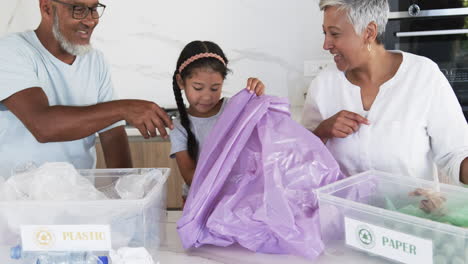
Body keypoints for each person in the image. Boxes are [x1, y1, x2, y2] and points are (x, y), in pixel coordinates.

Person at [301, 0, 468, 185]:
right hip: (345, 212)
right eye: (325, 33)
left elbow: (456, 153)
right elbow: (299, 162)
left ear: (369, 32)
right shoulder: (323, 85)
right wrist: (323, 131)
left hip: (411, 210)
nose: (326, 44)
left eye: (335, 34)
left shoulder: (423, 75)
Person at [0, 0, 173, 177]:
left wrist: (126, 192)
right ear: (46, 8)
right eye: (78, 9)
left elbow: (112, 134)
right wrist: (124, 108)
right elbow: (43, 126)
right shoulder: (11, 51)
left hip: (79, 196)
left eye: (93, 9)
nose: (90, 20)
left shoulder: (95, 60)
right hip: (18, 199)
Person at [170, 40, 265, 201]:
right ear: (181, 82)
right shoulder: (179, 127)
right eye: (198, 88)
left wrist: (259, 97)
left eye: (215, 88)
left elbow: (264, 130)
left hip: (233, 198)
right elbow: (191, 179)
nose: (207, 96)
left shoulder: (235, 109)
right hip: (197, 201)